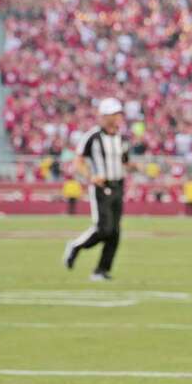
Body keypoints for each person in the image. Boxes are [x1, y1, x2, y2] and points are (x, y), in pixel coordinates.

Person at [63, 98, 129, 281]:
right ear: (106, 116)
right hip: (102, 186)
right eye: (115, 114)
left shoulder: (121, 137)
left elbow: (125, 161)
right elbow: (78, 162)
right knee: (104, 229)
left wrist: (139, 167)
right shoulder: (93, 136)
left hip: (119, 185)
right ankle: (76, 246)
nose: (118, 117)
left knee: (115, 233)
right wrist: (91, 177)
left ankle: (101, 270)